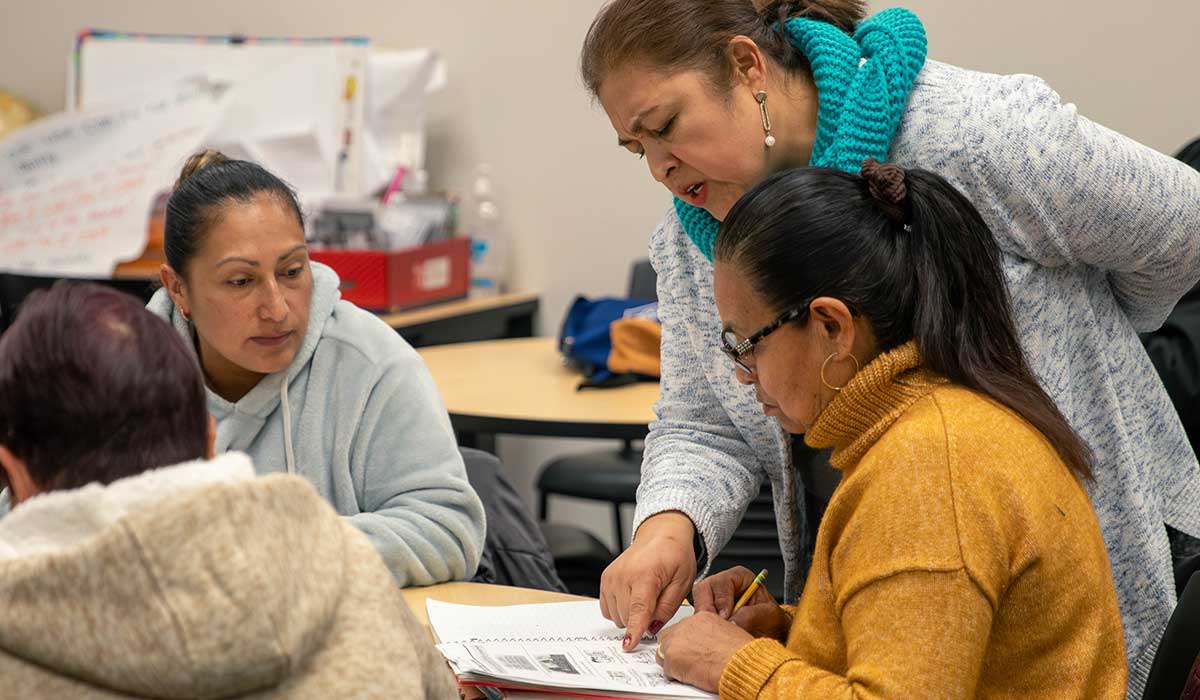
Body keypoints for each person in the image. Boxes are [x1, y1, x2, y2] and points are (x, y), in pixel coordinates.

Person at [580, 0, 1200, 692]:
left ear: (747, 67)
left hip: (1064, 548)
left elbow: (1183, 230)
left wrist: (1100, 346)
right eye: (638, 150)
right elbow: (703, 419)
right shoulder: (696, 231)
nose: (660, 169)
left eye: (664, 127)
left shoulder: (975, 135)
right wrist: (670, 532)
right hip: (899, 571)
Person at [653, 160, 1126, 698]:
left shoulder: (930, 469)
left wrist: (737, 666)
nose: (742, 373)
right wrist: (791, 629)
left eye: (747, 344)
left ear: (832, 327)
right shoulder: (941, 423)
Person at [0, 282, 458, 699]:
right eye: (240, 281)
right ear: (210, 439)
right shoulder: (347, 564)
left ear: (13, 472)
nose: (275, 308)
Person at [147, 150, 485, 587]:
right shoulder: (129, 375)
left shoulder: (372, 364)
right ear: (179, 289)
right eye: (240, 282)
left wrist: (286, 549)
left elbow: (448, 530)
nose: (276, 308)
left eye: (291, 271)